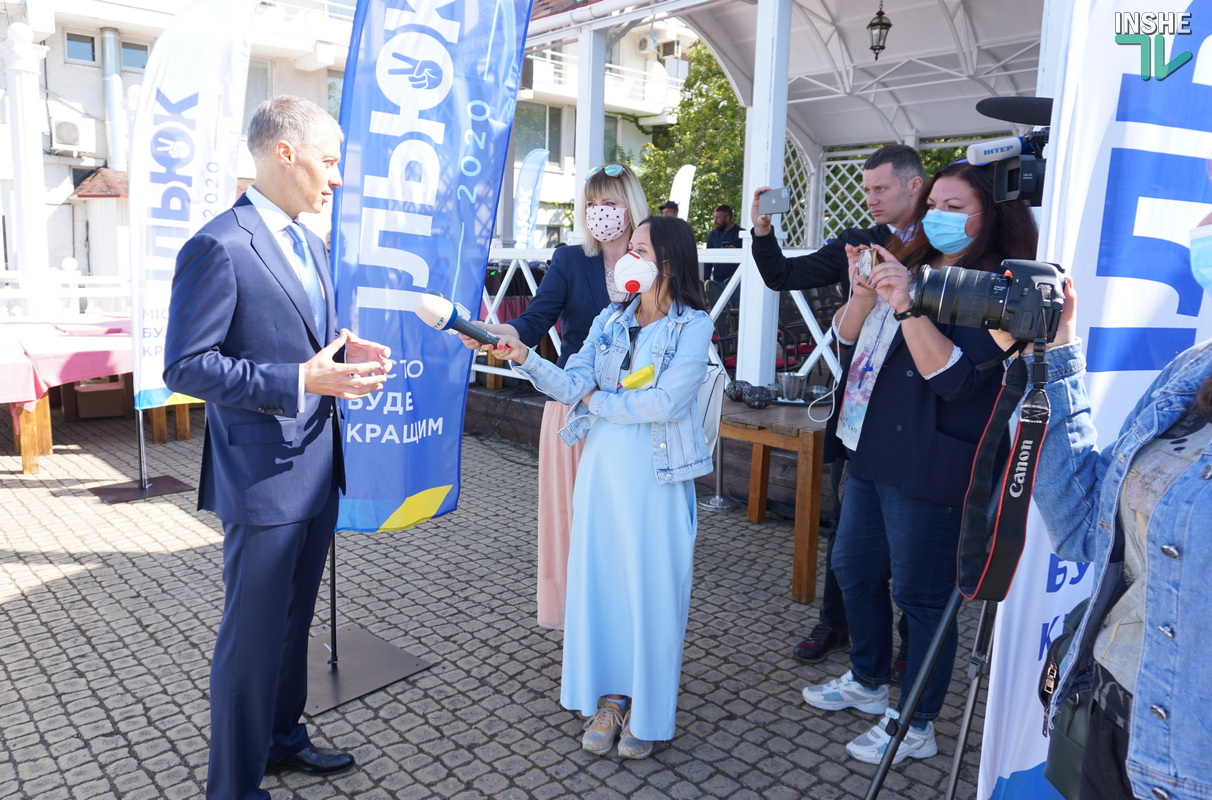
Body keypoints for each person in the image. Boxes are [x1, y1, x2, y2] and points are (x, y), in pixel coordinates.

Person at [163, 96, 391, 800]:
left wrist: (343, 354)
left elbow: (298, 336)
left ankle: (282, 741)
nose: (339, 178)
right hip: (263, 481)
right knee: (252, 638)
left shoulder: (310, 242)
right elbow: (186, 366)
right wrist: (299, 379)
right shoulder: (218, 245)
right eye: (330, 162)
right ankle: (231, 785)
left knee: (294, 627)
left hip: (319, 466)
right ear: (283, 153)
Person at [800, 159, 1038, 765]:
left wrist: (908, 309)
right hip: (873, 447)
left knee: (922, 595)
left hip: (933, 461)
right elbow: (849, 340)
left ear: (991, 216)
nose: (939, 216)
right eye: (935, 203)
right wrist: (865, 295)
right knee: (853, 568)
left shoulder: (1002, 288)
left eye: (956, 207)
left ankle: (917, 721)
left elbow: (954, 379)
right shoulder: (916, 267)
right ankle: (868, 677)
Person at [490, 215, 713, 760]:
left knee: (653, 593)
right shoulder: (610, 321)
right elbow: (572, 382)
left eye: (637, 248)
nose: (624, 256)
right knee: (605, 588)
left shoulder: (694, 325)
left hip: (656, 480)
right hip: (602, 473)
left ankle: (650, 708)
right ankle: (611, 698)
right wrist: (525, 358)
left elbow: (666, 402)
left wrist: (598, 402)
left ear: (668, 262)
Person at [1006, 214, 1212, 800]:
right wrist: (1050, 357)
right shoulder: (1193, 369)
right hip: (1111, 715)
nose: (1203, 222)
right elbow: (1084, 528)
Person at [750, 144, 924, 670]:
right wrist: (761, 231)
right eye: (866, 188)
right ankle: (838, 620)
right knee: (848, 532)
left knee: (912, 543)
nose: (869, 198)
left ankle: (911, 644)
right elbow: (781, 275)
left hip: (920, 412)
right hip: (859, 411)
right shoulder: (859, 243)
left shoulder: (947, 248)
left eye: (880, 188)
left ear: (915, 185)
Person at [460, 163, 648, 630]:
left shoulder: (651, 260)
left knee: (624, 520)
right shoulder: (568, 260)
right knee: (569, 518)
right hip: (571, 404)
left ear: (631, 206)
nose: (599, 213)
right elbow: (535, 321)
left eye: (609, 203)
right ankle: (576, 618)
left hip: (632, 409)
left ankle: (626, 614)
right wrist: (499, 332)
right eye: (591, 204)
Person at [705, 203, 742, 282]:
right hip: (717, 279)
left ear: (728, 218)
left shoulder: (742, 234)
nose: (715, 221)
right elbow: (708, 258)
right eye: (714, 217)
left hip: (737, 279)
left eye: (718, 218)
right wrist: (706, 279)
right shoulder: (713, 234)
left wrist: (736, 251)